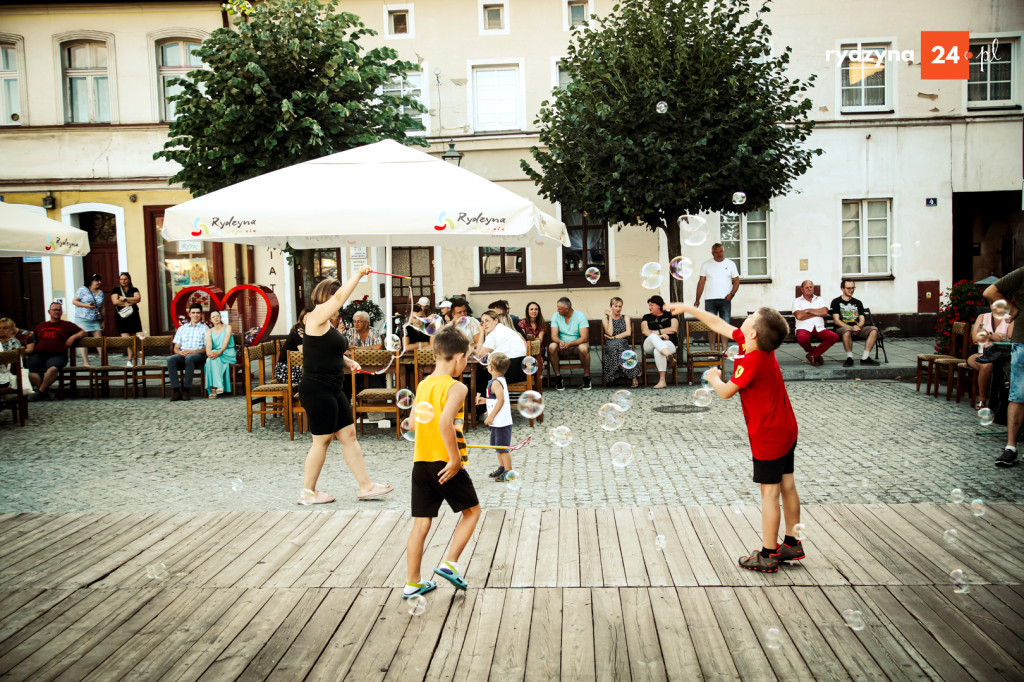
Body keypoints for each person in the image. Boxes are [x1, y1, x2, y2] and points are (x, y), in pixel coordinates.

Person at [666, 301, 801, 574]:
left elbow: (726, 391)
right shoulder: (755, 347)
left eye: (751, 317)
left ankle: (767, 554)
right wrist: (688, 309)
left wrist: (714, 376)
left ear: (753, 334)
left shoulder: (751, 360)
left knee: (769, 493)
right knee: (787, 485)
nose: (746, 318)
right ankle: (792, 543)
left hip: (768, 435)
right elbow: (720, 324)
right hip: (786, 427)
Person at [299, 265, 392, 503]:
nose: (339, 301)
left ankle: (366, 486)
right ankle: (308, 493)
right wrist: (359, 275)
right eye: (336, 295)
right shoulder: (316, 315)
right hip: (317, 388)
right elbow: (341, 297)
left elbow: (324, 351)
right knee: (322, 440)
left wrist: (348, 361)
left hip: (333, 386)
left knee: (349, 435)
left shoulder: (326, 324)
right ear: (328, 296)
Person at [404, 325, 481, 599]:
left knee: (421, 523)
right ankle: (450, 563)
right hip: (444, 463)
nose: (467, 362)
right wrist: (455, 457)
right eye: (468, 357)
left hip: (421, 464)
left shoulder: (423, 384)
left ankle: (413, 582)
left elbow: (413, 424)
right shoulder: (457, 387)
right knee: (472, 511)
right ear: (458, 358)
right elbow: (445, 422)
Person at [984, 269, 1024, 467]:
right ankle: (1011, 448)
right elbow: (990, 292)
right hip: (1023, 344)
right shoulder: (1022, 274)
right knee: (1018, 395)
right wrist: (1013, 308)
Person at [26, 302, 85, 400]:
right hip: (39, 355)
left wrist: (73, 337)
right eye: (55, 310)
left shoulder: (67, 325)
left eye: (59, 310)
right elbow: (31, 337)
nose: (57, 312)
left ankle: (40, 392)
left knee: (53, 369)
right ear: (49, 312)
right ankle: (46, 391)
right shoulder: (41, 325)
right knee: (27, 369)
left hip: (57, 355)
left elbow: (83, 333)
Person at [475, 352, 514, 481]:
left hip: (501, 422)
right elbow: (496, 399)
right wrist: (484, 401)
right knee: (497, 447)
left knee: (503, 448)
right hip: (497, 422)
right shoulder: (498, 380)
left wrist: (490, 416)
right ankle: (502, 468)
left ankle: (508, 472)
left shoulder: (496, 383)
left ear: (491, 368)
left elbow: (501, 400)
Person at [694, 243, 740, 351]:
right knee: (711, 326)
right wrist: (697, 299)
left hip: (725, 299)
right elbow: (701, 282)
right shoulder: (706, 265)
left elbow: (737, 280)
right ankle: (712, 351)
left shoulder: (730, 264)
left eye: (720, 251)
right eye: (716, 252)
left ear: (723, 251)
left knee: (725, 326)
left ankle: (725, 350)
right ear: (712, 253)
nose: (719, 254)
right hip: (710, 299)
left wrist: (732, 294)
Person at [828, 280, 880, 367]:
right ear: (842, 289)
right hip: (842, 328)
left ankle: (865, 357)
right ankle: (849, 358)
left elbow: (862, 319)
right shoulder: (836, 302)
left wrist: (858, 326)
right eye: (848, 288)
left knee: (874, 330)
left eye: (853, 288)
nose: (851, 290)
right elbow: (836, 320)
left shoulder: (858, 302)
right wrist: (851, 328)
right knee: (847, 330)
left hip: (856, 327)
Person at [968, 310, 1013, 410]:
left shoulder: (1010, 319)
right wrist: (994, 336)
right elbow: (975, 339)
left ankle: (997, 402)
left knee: (993, 364)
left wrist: (987, 334)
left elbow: (1009, 339)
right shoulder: (983, 317)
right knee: (986, 364)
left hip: (1000, 355)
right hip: (980, 352)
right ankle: (982, 400)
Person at [167, 303, 209, 401]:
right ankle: (176, 391)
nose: (195, 315)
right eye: (193, 313)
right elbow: (176, 348)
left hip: (197, 356)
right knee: (171, 359)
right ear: (189, 314)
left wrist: (193, 351)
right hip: (183, 355)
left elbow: (206, 348)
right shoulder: (182, 329)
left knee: (190, 359)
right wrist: (179, 353)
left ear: (201, 314)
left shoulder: (205, 329)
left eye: (198, 313)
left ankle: (186, 390)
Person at [549, 296, 591, 390]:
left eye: (559, 309)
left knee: (583, 347)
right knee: (552, 346)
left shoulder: (580, 316)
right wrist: (560, 342)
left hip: (576, 346)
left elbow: (584, 338)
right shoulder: (556, 316)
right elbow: (553, 336)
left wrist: (569, 344)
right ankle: (558, 377)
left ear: (567, 309)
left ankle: (587, 377)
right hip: (562, 346)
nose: (557, 310)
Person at [793, 280, 838, 366]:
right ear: (802, 289)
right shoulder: (797, 301)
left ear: (813, 288)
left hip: (819, 328)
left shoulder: (819, 299)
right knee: (802, 339)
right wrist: (816, 313)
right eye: (806, 287)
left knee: (834, 337)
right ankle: (814, 353)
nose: (809, 289)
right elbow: (799, 316)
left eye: (811, 287)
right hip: (803, 327)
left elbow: (824, 311)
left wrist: (808, 310)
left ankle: (813, 355)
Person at [478, 311, 528, 384]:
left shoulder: (494, 334)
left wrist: (482, 332)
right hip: (521, 371)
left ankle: (481, 395)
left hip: (510, 372)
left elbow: (480, 354)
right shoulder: (503, 329)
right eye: (482, 322)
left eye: (487, 321)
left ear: (496, 320)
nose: (484, 324)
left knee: (479, 377)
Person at [641, 295, 678, 389]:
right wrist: (659, 336)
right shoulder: (646, 317)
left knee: (658, 351)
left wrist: (658, 332)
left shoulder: (671, 315)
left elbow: (674, 329)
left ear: (659, 305)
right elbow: (645, 331)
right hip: (650, 344)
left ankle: (662, 381)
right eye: (649, 305)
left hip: (669, 343)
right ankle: (668, 355)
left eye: (652, 305)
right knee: (653, 336)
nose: (650, 307)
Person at [602, 297, 640, 388]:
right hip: (610, 345)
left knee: (619, 345)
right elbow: (609, 332)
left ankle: (612, 376)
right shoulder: (605, 320)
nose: (618, 309)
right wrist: (610, 317)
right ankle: (634, 376)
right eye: (616, 306)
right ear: (611, 307)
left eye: (620, 306)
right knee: (615, 346)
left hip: (623, 343)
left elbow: (628, 333)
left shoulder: (625, 317)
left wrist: (613, 337)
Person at [71, 273, 104, 366]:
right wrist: (86, 306)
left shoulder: (100, 292)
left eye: (99, 280)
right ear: (91, 281)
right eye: (97, 280)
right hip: (82, 318)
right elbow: (74, 301)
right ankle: (86, 362)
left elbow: (102, 306)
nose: (99, 282)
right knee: (84, 340)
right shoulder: (82, 290)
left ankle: (104, 360)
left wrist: (103, 319)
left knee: (99, 340)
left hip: (95, 319)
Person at [110, 271, 142, 365]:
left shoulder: (134, 289)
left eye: (125, 279)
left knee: (133, 338)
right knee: (126, 340)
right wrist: (130, 302)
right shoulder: (116, 290)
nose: (123, 281)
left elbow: (138, 299)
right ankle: (131, 358)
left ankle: (132, 359)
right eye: (121, 279)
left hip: (133, 316)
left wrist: (124, 299)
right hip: (122, 317)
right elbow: (115, 302)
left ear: (129, 280)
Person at [203, 310, 235, 398]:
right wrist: (209, 353)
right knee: (209, 360)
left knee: (213, 360)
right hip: (216, 353)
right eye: (213, 317)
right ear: (210, 319)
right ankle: (216, 387)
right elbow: (209, 345)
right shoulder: (209, 331)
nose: (216, 318)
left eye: (217, 316)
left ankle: (215, 388)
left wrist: (220, 352)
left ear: (220, 317)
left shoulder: (227, 327)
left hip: (227, 352)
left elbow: (226, 340)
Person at [274, 310, 307, 386]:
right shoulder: (298, 330)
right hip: (285, 371)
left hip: (295, 367)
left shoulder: (308, 330)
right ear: (302, 319)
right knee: (315, 375)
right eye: (307, 318)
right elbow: (303, 351)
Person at [517, 301, 546, 374]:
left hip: (538, 348)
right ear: (527, 311)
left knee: (537, 353)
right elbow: (522, 338)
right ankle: (530, 378)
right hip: (526, 348)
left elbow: (540, 339)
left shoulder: (541, 323)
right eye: (531, 309)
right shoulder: (522, 322)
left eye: (536, 309)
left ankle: (537, 380)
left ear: (539, 311)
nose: (534, 311)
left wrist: (534, 342)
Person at [0, 318, 23, 387]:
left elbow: (12, 363)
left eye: (5, 328)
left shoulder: (13, 342)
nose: (1, 330)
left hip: (8, 374)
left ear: (11, 330)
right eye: (0, 328)